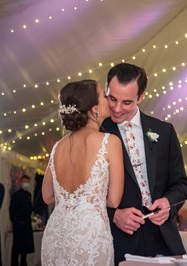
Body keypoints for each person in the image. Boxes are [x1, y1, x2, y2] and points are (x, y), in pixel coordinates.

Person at [102, 63, 187, 264]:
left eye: (126, 103)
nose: (116, 108)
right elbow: (83, 193)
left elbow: (181, 185)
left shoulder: (165, 131)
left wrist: (168, 203)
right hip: (118, 241)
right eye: (112, 98)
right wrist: (113, 214)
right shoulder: (97, 133)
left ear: (140, 97)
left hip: (164, 239)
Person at [41, 79, 124, 265]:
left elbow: (47, 196)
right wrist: (87, 202)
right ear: (94, 109)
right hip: (89, 235)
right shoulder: (110, 142)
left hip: (56, 233)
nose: (108, 99)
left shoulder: (58, 147)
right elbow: (114, 200)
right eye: (104, 95)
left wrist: (69, 200)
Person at [9, 175, 34, 266]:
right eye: (24, 181)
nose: (26, 183)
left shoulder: (29, 195)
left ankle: (24, 263)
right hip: (19, 224)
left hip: (27, 223)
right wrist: (15, 220)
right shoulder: (16, 195)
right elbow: (11, 209)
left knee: (25, 249)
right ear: (20, 182)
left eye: (28, 181)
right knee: (16, 248)